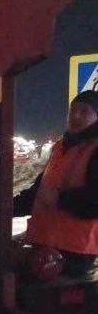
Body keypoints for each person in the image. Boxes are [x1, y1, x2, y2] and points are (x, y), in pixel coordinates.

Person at [15, 90, 98, 279]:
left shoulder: (94, 149)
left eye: (84, 111)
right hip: (44, 244)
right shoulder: (60, 147)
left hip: (75, 252)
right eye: (73, 110)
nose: (75, 115)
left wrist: (60, 199)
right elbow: (39, 192)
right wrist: (6, 207)